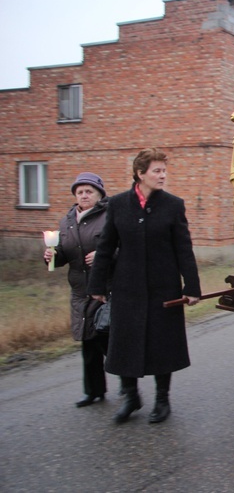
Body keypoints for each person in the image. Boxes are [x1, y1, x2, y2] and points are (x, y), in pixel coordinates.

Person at [88, 148, 201, 424]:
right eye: (157, 171)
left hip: (164, 287)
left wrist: (192, 286)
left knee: (163, 343)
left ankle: (162, 399)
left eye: (164, 170)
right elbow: (105, 248)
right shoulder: (117, 204)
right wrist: (98, 284)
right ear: (140, 174)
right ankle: (130, 396)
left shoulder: (173, 205)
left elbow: (183, 248)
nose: (163, 175)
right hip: (127, 288)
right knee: (124, 342)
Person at [44, 172, 110, 407]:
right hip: (80, 292)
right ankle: (93, 391)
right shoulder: (68, 220)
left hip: (104, 290)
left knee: (109, 341)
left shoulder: (109, 216)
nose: (84, 195)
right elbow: (63, 255)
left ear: (99, 194)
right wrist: (53, 255)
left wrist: (104, 256)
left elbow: (126, 248)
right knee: (88, 342)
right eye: (80, 191)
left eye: (89, 191)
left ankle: (128, 388)